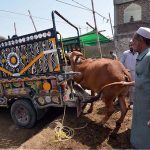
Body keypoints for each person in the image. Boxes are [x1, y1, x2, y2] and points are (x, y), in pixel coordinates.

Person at [130, 27, 150, 149]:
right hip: (141, 109)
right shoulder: (143, 56)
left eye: (133, 40)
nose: (132, 43)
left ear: (140, 41)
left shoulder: (149, 57)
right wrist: (128, 83)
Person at [120, 40, 138, 109]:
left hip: (137, 73)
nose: (131, 46)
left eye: (132, 44)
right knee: (129, 88)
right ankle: (130, 102)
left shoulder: (138, 53)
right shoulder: (125, 53)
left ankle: (135, 101)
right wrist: (124, 70)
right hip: (128, 73)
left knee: (136, 87)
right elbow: (121, 63)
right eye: (130, 45)